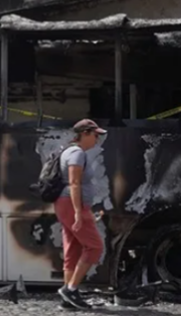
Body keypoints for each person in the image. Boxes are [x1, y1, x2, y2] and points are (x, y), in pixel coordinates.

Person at [56, 118, 107, 310]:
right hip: (72, 205)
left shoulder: (69, 152)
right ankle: (71, 290)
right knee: (95, 247)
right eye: (95, 135)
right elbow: (74, 183)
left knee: (73, 249)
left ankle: (67, 298)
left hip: (66, 204)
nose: (97, 139)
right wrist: (78, 213)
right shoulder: (77, 154)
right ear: (85, 133)